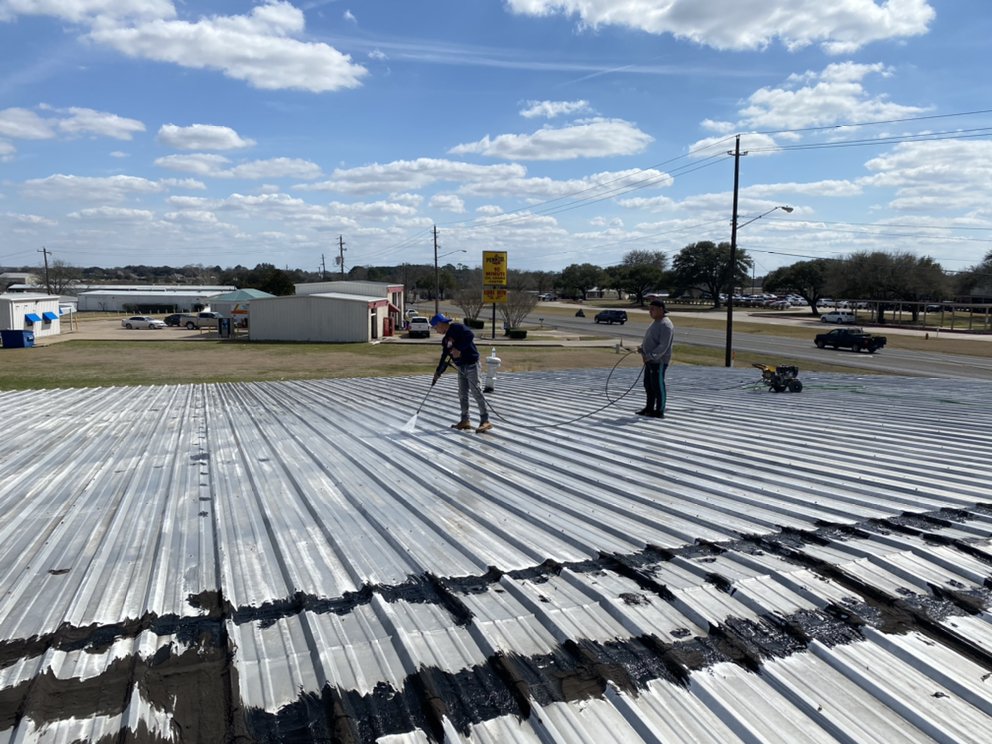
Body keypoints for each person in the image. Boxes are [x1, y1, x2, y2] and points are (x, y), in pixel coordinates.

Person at [430, 313, 493, 433]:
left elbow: (470, 335)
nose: (435, 330)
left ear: (440, 324)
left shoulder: (457, 328)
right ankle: (465, 420)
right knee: (462, 394)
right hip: (461, 367)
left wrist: (458, 348)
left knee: (476, 391)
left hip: (472, 364)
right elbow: (445, 356)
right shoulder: (445, 340)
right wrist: (438, 372)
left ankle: (485, 420)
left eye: (435, 327)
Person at [637, 300, 674, 418]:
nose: (650, 311)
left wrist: (650, 356)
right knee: (648, 385)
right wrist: (642, 348)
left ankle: (659, 410)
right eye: (650, 309)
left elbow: (663, 346)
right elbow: (651, 339)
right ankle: (649, 408)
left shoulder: (666, 325)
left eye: (652, 309)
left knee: (658, 386)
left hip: (659, 361)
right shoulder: (655, 322)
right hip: (649, 361)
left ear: (661, 309)